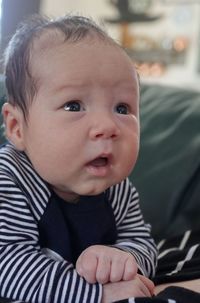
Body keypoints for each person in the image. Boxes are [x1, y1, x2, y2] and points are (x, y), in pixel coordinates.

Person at [0, 14, 157, 303]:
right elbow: (7, 265)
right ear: (17, 128)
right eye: (74, 105)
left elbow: (144, 244)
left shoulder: (118, 189)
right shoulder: (9, 179)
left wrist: (122, 258)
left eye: (122, 108)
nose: (107, 126)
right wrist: (96, 294)